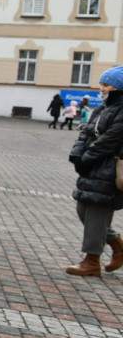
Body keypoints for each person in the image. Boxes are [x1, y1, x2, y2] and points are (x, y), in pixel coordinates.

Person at [66, 67, 123, 277]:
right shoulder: (103, 108)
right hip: (93, 167)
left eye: (107, 85)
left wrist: (87, 159)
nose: (102, 88)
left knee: (97, 213)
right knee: (84, 210)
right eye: (101, 84)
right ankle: (118, 246)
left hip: (109, 169)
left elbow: (111, 140)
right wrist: (77, 156)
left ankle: (92, 261)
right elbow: (86, 133)